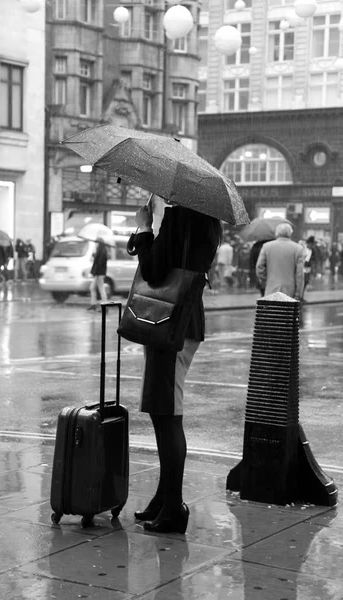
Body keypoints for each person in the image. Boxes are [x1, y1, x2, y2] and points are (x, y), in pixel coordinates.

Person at [132, 196, 222, 534]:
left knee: (168, 414)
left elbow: (154, 272)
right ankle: (163, 498)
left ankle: (173, 509)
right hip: (182, 323)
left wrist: (144, 228)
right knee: (161, 410)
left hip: (171, 325)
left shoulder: (179, 219)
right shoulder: (209, 221)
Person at [256, 223, 304, 299]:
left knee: (271, 310)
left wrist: (265, 282)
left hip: (271, 289)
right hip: (290, 292)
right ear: (290, 233)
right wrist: (298, 294)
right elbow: (300, 274)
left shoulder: (267, 246)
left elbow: (259, 267)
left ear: (276, 233)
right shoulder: (298, 249)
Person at [87, 237, 108, 311]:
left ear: (100, 244)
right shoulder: (100, 251)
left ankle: (104, 306)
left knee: (101, 289)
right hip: (98, 273)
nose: (95, 244)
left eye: (97, 242)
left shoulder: (102, 252)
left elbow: (99, 264)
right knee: (92, 288)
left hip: (99, 274)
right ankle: (93, 304)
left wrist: (95, 273)